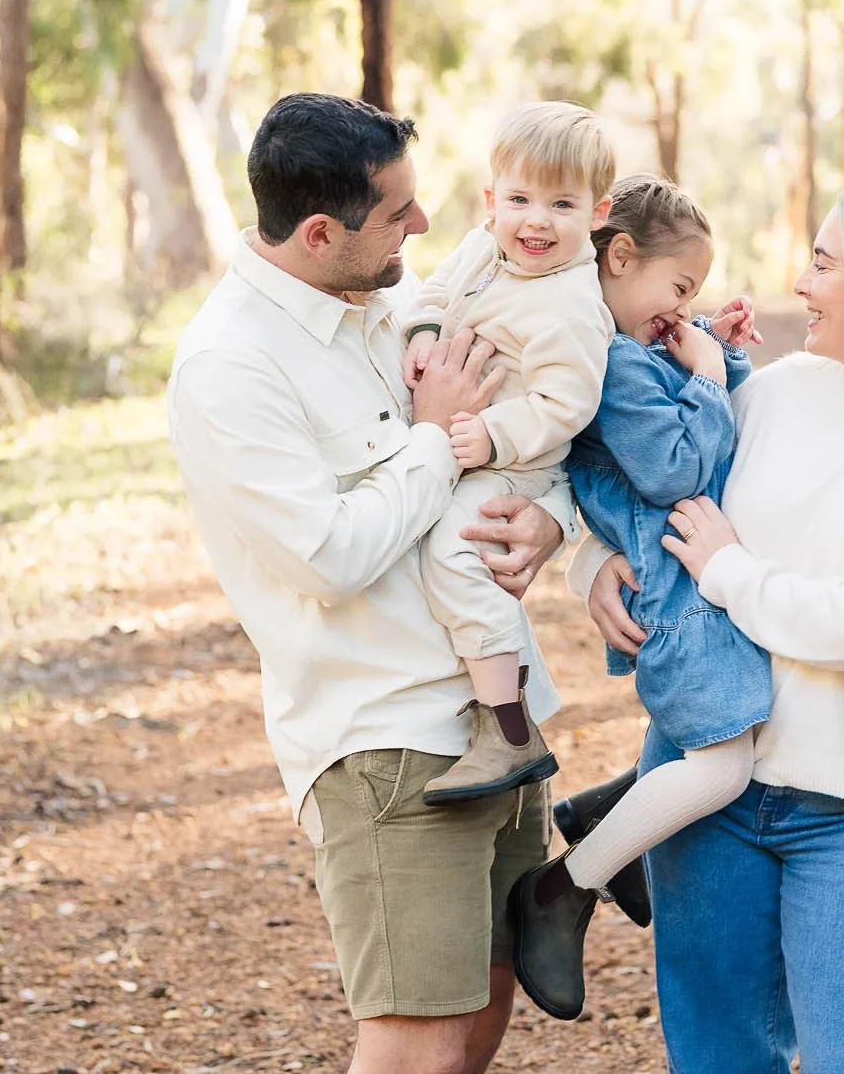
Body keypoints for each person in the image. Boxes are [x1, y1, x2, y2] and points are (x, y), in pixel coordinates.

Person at [571, 178, 844, 1074]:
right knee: (717, 1059)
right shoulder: (778, 392)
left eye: (822, 265)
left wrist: (731, 569)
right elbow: (652, 487)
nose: (801, 284)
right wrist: (594, 567)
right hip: (710, 787)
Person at [167, 92, 573, 1074]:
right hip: (382, 737)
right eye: (397, 212)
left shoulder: (393, 296)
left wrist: (547, 523)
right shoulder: (231, 367)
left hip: (494, 715)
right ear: (317, 232)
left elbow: (520, 424)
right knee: (414, 1029)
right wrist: (432, 438)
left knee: (487, 985)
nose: (423, 226)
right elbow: (331, 555)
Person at [505, 175, 771, 1021]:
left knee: (742, 737)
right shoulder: (610, 359)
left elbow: (685, 414)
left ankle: (611, 811)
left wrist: (715, 352)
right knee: (725, 765)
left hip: (690, 577)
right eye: (679, 290)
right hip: (676, 586)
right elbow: (673, 466)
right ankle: (559, 889)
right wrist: (702, 377)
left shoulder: (632, 347)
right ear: (620, 257)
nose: (682, 309)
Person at [400, 102, 618, 805]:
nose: (537, 221)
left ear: (596, 211)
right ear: (492, 199)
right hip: (474, 442)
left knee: (455, 554)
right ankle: (489, 703)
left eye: (561, 203)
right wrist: (427, 331)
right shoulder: (480, 248)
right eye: (520, 199)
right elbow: (434, 290)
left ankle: (506, 727)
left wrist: (493, 434)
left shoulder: (571, 304)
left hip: (514, 461)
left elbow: (566, 403)